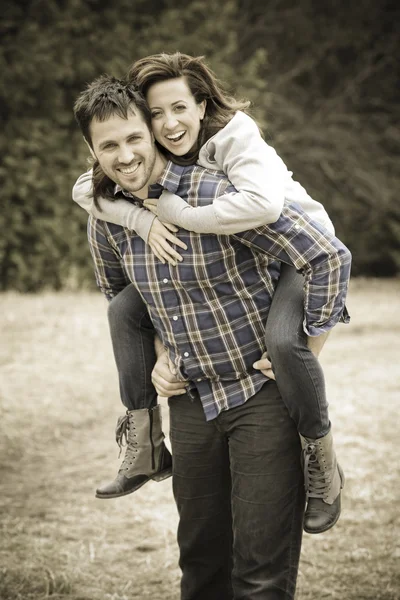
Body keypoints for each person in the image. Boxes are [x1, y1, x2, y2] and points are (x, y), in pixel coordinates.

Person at [73, 74, 351, 599]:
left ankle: (324, 462)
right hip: (191, 404)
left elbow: (326, 253)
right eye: (108, 145)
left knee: (259, 577)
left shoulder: (219, 195)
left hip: (261, 399)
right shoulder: (106, 218)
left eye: (135, 138)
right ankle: (143, 445)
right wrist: (156, 356)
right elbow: (122, 298)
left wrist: (307, 343)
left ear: (153, 133)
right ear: (91, 150)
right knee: (200, 567)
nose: (125, 155)